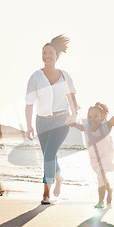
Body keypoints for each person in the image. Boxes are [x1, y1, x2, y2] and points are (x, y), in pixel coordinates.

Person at [25, 35, 79, 205]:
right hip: (42, 122)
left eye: (50, 53)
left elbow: (72, 95)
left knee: (49, 154)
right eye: (44, 52)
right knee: (49, 155)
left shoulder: (64, 75)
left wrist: (74, 114)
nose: (47, 55)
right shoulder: (35, 77)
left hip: (61, 121)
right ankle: (59, 177)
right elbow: (29, 103)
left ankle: (46, 194)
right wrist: (28, 126)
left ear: (57, 56)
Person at [70, 99, 114, 208]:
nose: (92, 119)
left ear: (102, 117)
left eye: (95, 116)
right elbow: (81, 127)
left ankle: (100, 201)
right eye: (89, 117)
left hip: (106, 154)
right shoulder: (88, 127)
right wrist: (73, 124)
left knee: (100, 175)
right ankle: (109, 190)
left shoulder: (106, 126)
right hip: (94, 156)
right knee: (101, 176)